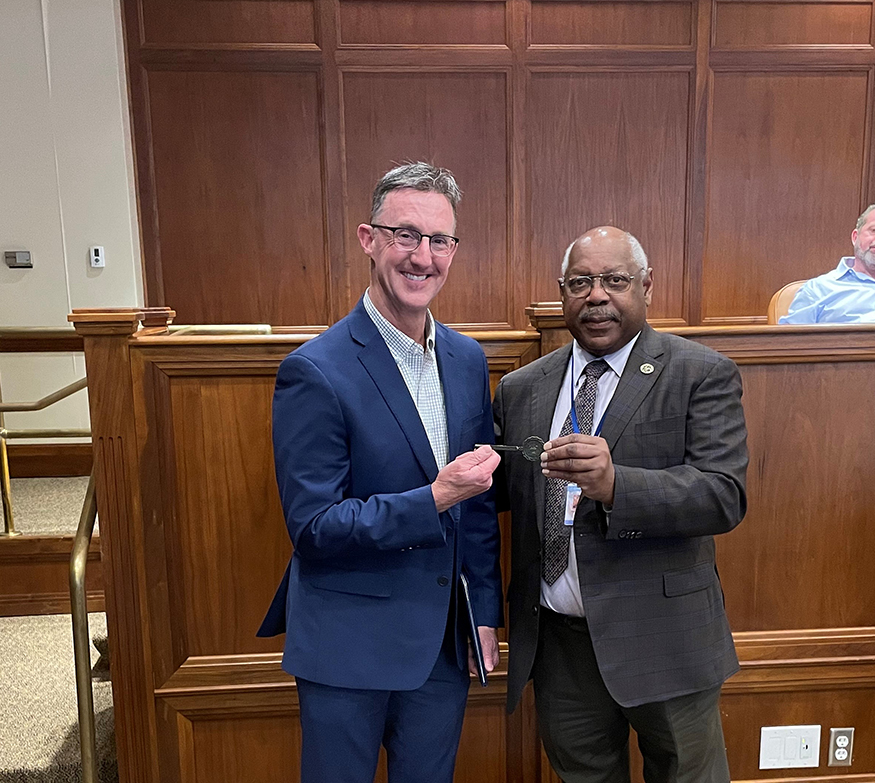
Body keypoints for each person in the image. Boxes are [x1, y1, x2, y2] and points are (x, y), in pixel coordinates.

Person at [257, 162, 503, 783]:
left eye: (440, 240)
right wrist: (435, 496)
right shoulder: (315, 370)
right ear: (369, 240)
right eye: (406, 236)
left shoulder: (466, 358)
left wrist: (484, 612)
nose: (424, 257)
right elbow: (314, 526)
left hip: (444, 646)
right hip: (349, 644)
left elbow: (475, 507)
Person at [494, 226, 749, 783]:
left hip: (665, 638)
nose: (597, 295)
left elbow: (723, 495)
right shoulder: (522, 388)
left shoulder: (699, 372)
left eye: (615, 280)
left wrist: (616, 486)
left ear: (646, 286)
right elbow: (502, 494)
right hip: (560, 646)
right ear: (563, 291)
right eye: (581, 282)